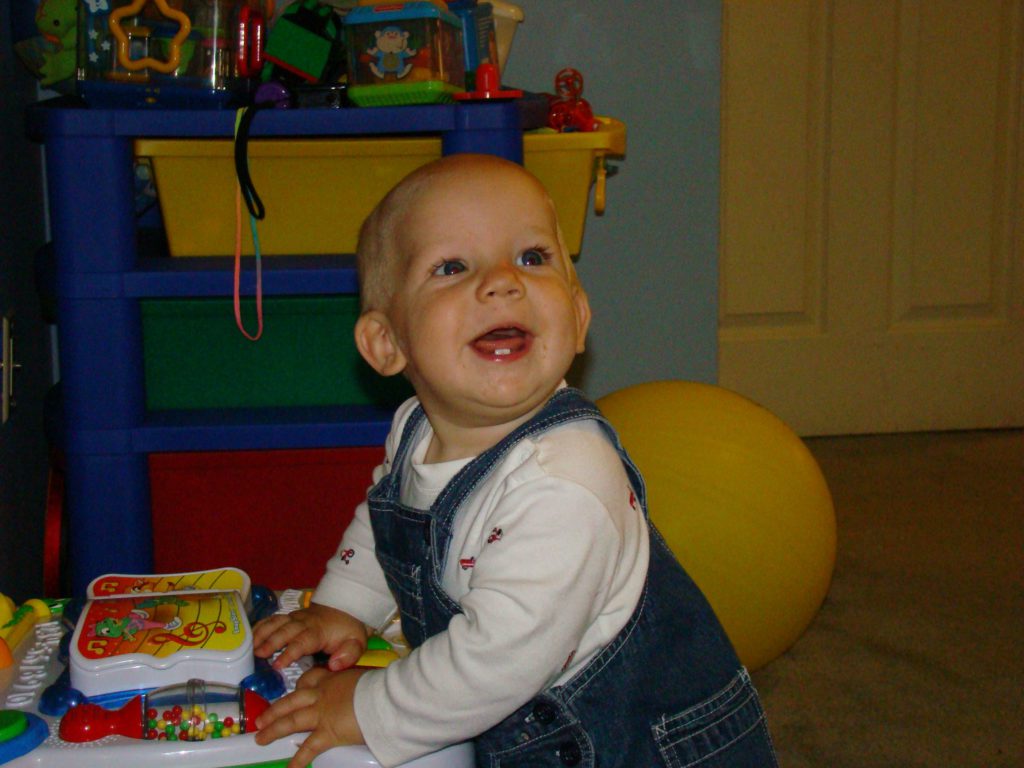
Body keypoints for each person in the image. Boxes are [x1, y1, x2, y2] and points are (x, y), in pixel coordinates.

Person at [252, 153, 778, 768]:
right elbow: (386, 519)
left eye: (531, 257)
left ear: (578, 317)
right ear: (387, 343)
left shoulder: (565, 479)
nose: (502, 282)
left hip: (633, 745)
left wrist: (368, 708)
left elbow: (496, 659)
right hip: (517, 714)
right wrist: (344, 603)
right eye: (452, 267)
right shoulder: (414, 427)